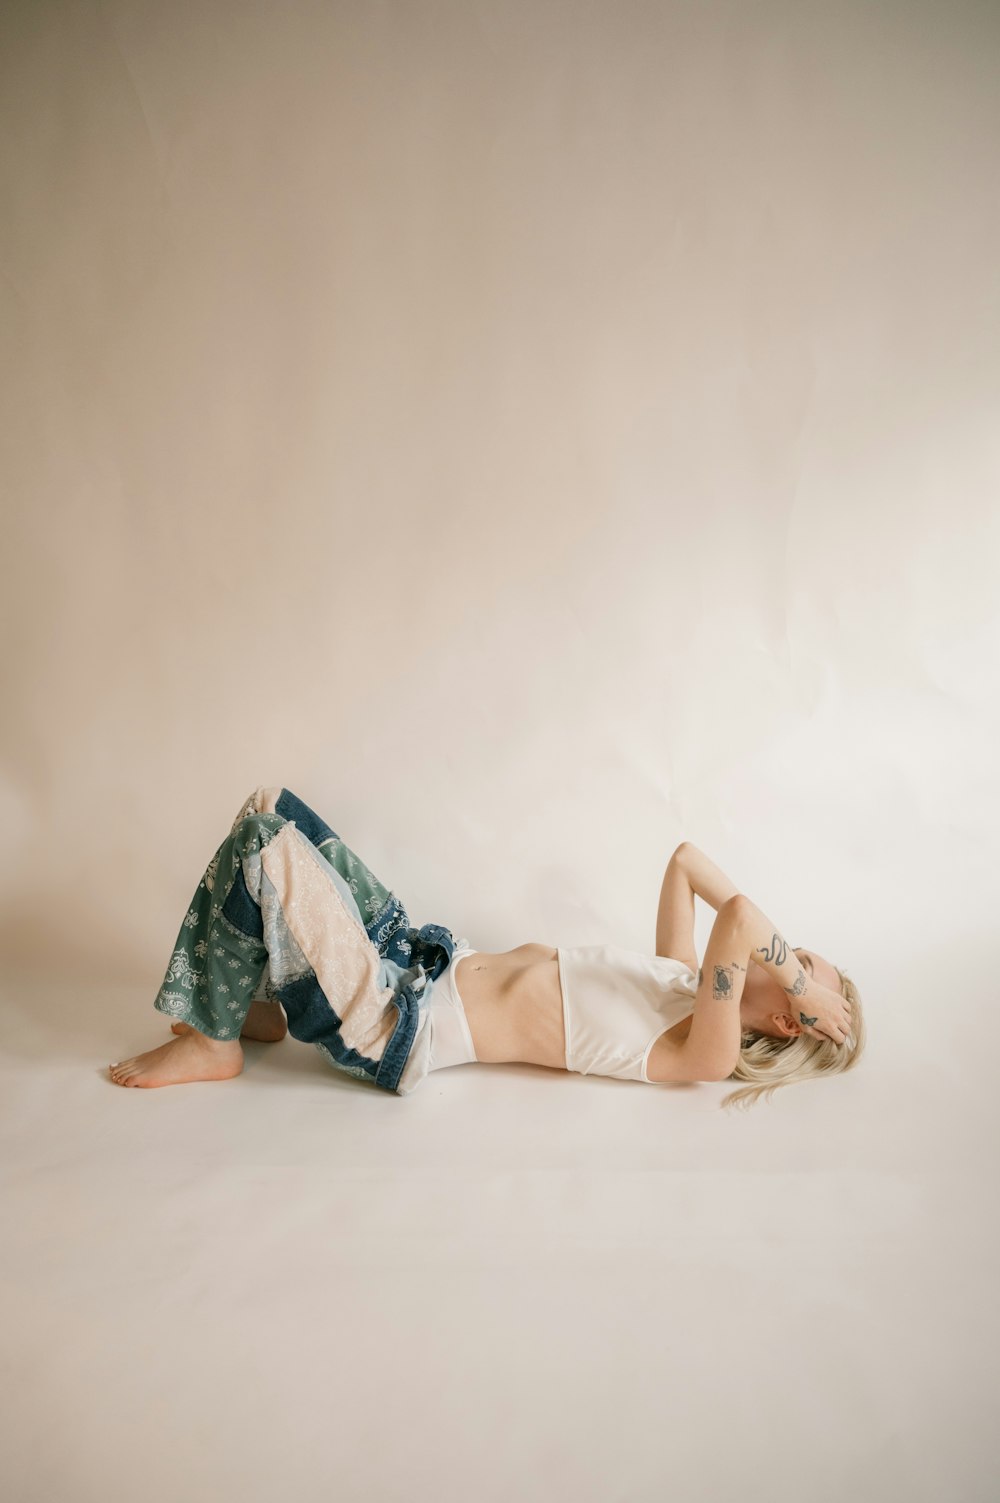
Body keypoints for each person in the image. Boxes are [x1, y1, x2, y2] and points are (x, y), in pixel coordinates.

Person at [110, 790, 865, 1111]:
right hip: (413, 956)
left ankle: (213, 1041)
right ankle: (259, 1007)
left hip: (393, 1021)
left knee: (260, 846)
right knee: (273, 810)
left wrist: (804, 982)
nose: (781, 955)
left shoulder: (702, 1050)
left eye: (794, 965)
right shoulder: (681, 980)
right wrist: (802, 982)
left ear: (794, 1021)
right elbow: (686, 860)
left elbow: (737, 914)